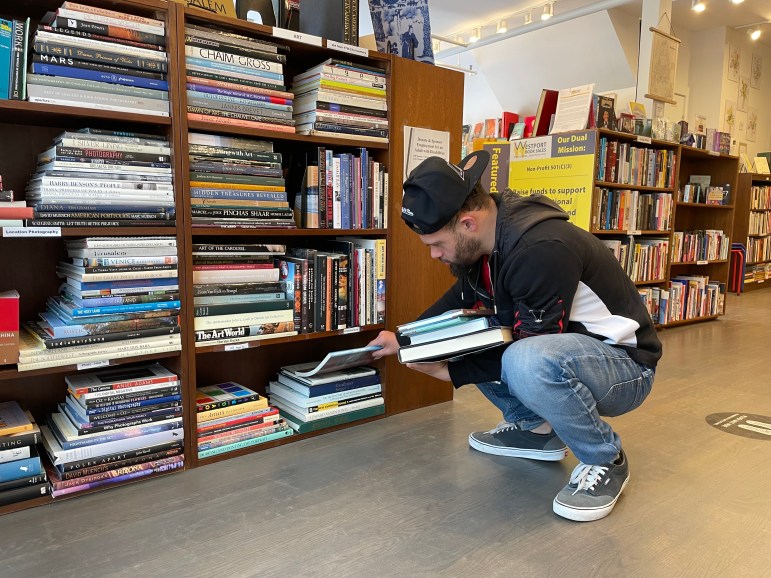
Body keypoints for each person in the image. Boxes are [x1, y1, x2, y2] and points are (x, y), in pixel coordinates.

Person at [369, 151, 662, 522]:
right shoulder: (486, 244)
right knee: (461, 339)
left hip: (624, 368)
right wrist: (405, 338)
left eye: (436, 244)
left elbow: (525, 347)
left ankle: (605, 456)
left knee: (523, 360)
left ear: (468, 223)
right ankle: (537, 430)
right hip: (566, 354)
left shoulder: (540, 249)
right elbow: (462, 299)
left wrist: (453, 373)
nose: (434, 255)